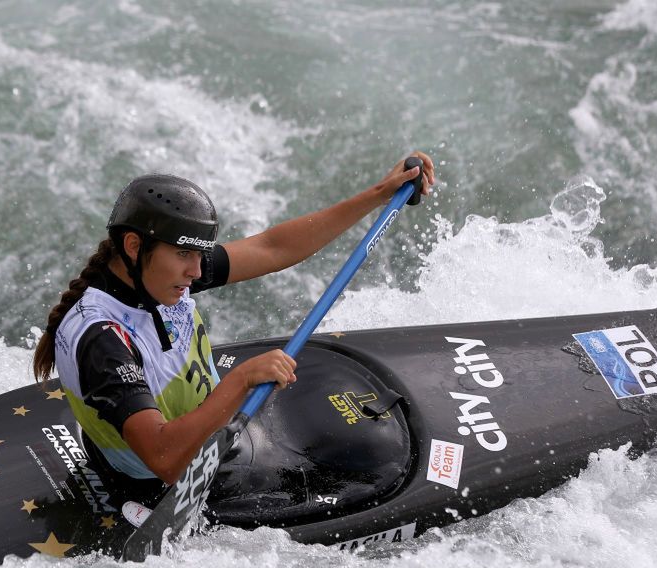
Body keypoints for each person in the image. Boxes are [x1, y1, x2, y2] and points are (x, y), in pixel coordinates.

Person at [32, 153, 435, 502]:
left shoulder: (155, 275)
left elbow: (273, 248)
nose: (196, 271)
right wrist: (240, 380)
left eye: (199, 255)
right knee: (364, 468)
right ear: (135, 246)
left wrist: (379, 193)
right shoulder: (103, 340)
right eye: (185, 255)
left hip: (204, 434)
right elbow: (165, 459)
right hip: (164, 481)